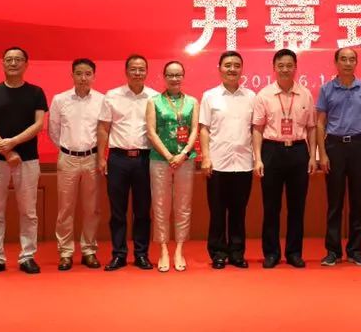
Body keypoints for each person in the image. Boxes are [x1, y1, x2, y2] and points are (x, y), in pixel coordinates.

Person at [0, 46, 47, 276]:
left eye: (18, 59)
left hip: (28, 160)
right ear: (3, 63)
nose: (13, 63)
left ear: (26, 64)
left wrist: (13, 142)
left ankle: (27, 256)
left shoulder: (36, 92)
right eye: (9, 59)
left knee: (28, 211)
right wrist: (7, 152)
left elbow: (38, 125)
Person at [253, 49, 317, 268]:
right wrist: (258, 158)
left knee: (297, 206)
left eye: (289, 65)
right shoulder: (264, 95)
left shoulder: (306, 94)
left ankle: (294, 252)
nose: (285, 69)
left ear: (295, 67)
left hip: (298, 151)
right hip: (272, 151)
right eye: (281, 65)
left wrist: (313, 156)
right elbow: (257, 129)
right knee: (271, 206)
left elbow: (312, 127)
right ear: (274, 68)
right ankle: (271, 253)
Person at [316, 48, 361, 267]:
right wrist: (322, 154)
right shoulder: (326, 89)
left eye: (352, 59)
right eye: (343, 59)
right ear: (336, 63)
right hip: (334, 146)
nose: (348, 63)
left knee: (357, 202)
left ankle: (355, 250)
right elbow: (320, 123)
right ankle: (333, 251)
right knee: (335, 202)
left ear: (356, 63)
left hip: (359, 146)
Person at [98, 54, 159, 271]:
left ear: (147, 72)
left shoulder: (154, 97)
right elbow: (103, 128)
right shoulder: (112, 96)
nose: (137, 73)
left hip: (144, 159)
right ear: (126, 71)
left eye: (141, 69)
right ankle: (119, 254)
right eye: (133, 69)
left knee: (142, 210)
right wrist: (101, 157)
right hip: (118, 159)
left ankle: (141, 254)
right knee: (118, 210)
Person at [199, 51, 257, 269]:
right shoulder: (210, 96)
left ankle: (237, 252)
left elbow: (255, 129)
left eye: (236, 65)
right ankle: (218, 253)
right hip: (217, 163)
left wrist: (256, 158)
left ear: (242, 69)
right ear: (219, 68)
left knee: (238, 211)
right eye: (228, 65)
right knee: (217, 211)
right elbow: (204, 129)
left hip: (243, 163)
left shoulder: (251, 96)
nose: (232, 69)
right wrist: (206, 157)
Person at [48, 58, 103, 271]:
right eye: (79, 73)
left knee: (92, 208)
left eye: (88, 74)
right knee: (65, 208)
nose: (83, 78)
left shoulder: (102, 100)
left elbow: (103, 131)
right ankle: (65, 252)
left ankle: (89, 250)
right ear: (72, 75)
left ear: (94, 76)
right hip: (68, 158)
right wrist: (67, 148)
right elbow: (54, 131)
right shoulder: (60, 100)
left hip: (92, 158)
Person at [146, 60, 199, 272]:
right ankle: (163, 250)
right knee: (160, 205)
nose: (174, 78)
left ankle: (179, 249)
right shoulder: (154, 101)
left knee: (183, 206)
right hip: (160, 159)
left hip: (185, 160)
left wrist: (183, 154)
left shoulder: (192, 102)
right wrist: (169, 156)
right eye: (170, 75)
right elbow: (151, 131)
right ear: (164, 77)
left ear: (183, 77)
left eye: (178, 75)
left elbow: (194, 130)